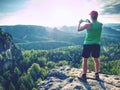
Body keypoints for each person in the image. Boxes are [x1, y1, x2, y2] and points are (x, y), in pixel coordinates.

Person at [78, 10, 103, 82]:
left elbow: (78, 30)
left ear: (91, 17)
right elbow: (94, 25)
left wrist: (79, 23)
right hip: (96, 44)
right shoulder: (101, 24)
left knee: (85, 60)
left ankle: (84, 75)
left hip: (87, 44)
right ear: (97, 16)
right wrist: (89, 22)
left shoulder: (87, 25)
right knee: (96, 60)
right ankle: (97, 74)